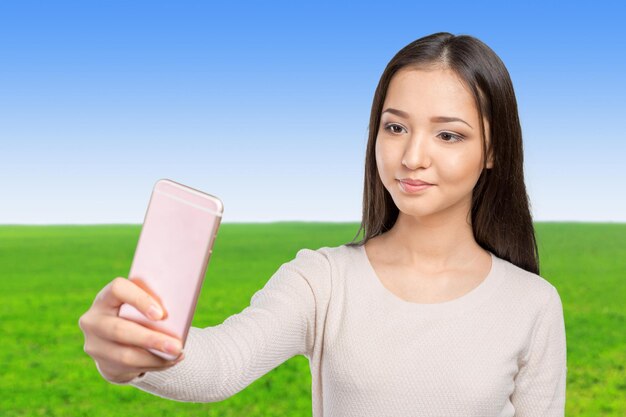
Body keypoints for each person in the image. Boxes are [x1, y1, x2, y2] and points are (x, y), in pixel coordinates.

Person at [79, 32, 567, 416]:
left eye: (448, 134)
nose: (413, 156)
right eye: (395, 127)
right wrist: (137, 354)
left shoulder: (531, 305)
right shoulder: (323, 281)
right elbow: (221, 363)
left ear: (494, 150)